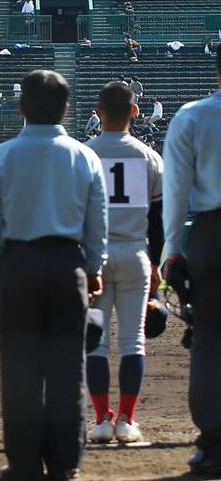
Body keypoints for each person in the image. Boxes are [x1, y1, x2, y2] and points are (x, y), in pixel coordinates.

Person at [0, 69, 109, 481]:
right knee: (68, 367)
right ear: (66, 109)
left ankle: (24, 461)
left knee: (20, 370)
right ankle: (66, 460)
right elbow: (96, 220)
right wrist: (94, 267)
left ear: (21, 108)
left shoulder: (2, 156)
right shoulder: (84, 155)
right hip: (67, 263)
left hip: (17, 265)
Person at [84, 80, 164, 445]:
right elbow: (159, 218)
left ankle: (102, 419)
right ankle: (127, 420)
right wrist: (159, 262)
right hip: (135, 254)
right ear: (135, 111)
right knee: (133, 342)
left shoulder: (83, 152)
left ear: (98, 112)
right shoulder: (149, 156)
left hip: (94, 259)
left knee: (96, 343)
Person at [161, 47, 221, 477]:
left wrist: (171, 251)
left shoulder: (193, 116)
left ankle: (214, 443)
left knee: (209, 340)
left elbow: (176, 188)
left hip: (211, 234)